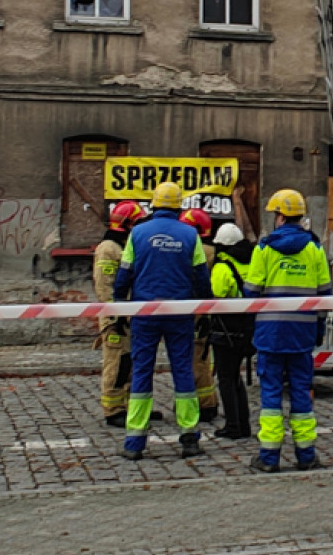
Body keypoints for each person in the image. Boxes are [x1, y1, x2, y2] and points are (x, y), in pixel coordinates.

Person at [111, 181, 212, 460]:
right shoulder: (190, 235)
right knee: (183, 371)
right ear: (180, 206)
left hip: (145, 312)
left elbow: (125, 274)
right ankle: (189, 437)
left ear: (154, 205)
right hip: (180, 313)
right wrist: (207, 305)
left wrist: (120, 305)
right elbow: (201, 276)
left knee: (142, 371)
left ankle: (135, 441)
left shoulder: (138, 233)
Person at [242, 189, 332, 473]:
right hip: (302, 333)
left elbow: (251, 292)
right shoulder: (314, 249)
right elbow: (325, 294)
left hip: (270, 333)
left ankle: (269, 458)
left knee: (270, 395)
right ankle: (306, 455)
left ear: (279, 216)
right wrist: (318, 329)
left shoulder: (264, 248)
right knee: (301, 394)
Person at [93, 201, 146, 427]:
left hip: (128, 314)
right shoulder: (108, 248)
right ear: (127, 223)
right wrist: (116, 315)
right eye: (137, 222)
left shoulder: (123, 246)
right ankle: (113, 409)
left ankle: (131, 406)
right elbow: (105, 287)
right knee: (116, 364)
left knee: (131, 363)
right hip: (116, 318)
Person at [205, 221, 255, 441]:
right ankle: (243, 423)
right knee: (236, 377)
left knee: (226, 378)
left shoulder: (222, 267)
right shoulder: (251, 263)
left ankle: (233, 425)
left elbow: (215, 295)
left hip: (225, 329)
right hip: (248, 328)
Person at [178, 206, 221, 429]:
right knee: (203, 357)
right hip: (204, 311)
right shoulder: (213, 250)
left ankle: (204, 404)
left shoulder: (195, 250)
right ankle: (207, 400)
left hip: (193, 312)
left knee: (196, 359)